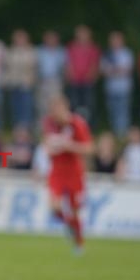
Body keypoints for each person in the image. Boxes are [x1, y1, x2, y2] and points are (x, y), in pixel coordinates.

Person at [43, 96, 93, 255]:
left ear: (65, 108)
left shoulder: (77, 124)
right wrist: (50, 149)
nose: (54, 114)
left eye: (57, 110)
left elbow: (89, 148)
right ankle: (71, 227)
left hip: (74, 172)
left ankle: (78, 243)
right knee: (54, 207)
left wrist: (69, 146)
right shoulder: (50, 123)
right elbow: (47, 144)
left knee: (75, 209)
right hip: (57, 171)